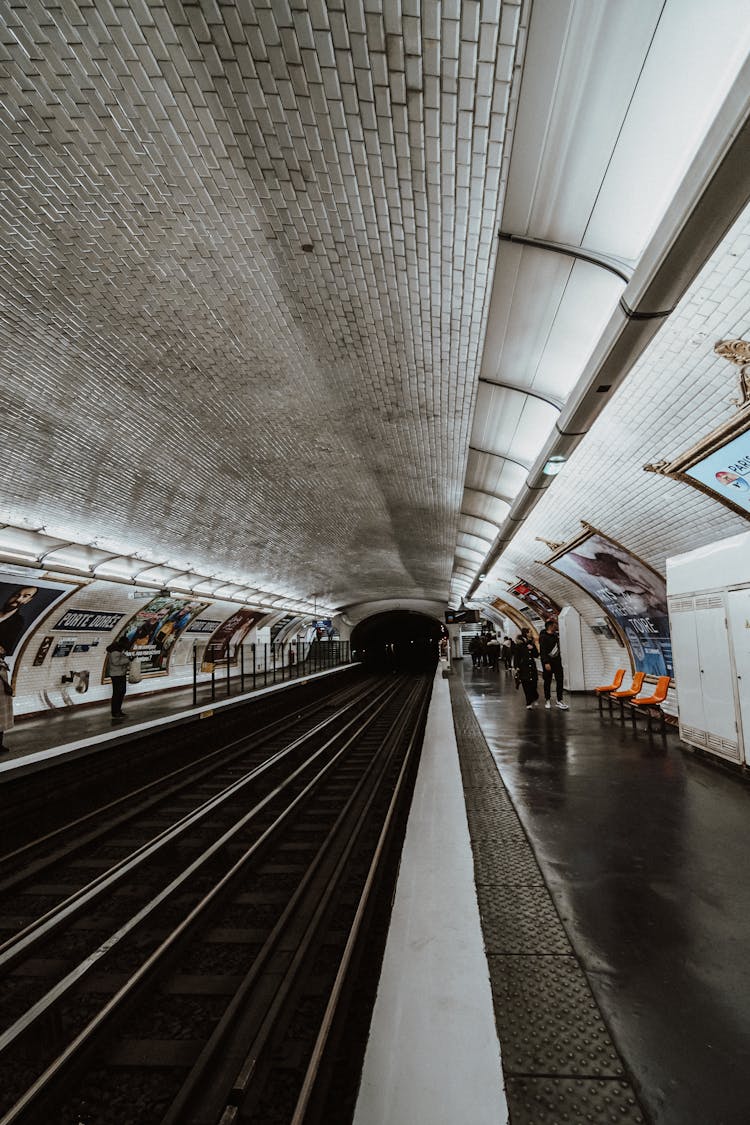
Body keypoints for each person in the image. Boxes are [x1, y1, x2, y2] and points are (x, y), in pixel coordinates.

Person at [539, 617, 569, 710]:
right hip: (548, 662)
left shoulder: (555, 635)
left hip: (557, 661)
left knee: (560, 680)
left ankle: (559, 699)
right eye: (554, 625)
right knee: (547, 681)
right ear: (550, 626)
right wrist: (546, 662)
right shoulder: (543, 637)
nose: (556, 626)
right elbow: (543, 651)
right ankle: (547, 699)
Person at [0, 585, 39, 655]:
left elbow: (5, 650)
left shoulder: (17, 622)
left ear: (28, 600)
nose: (18, 599)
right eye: (17, 595)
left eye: (25, 596)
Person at [106, 638, 132, 721]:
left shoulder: (118, 649)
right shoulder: (115, 650)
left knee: (121, 692)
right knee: (117, 693)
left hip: (120, 674)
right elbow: (116, 662)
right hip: (116, 675)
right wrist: (128, 659)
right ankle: (115, 712)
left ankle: (118, 710)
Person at [514, 630, 539, 708]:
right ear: (526, 634)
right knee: (526, 684)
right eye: (530, 632)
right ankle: (528, 702)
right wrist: (516, 667)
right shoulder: (519, 645)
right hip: (523, 667)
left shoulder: (531, 643)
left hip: (532, 666)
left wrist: (532, 648)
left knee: (534, 684)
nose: (531, 633)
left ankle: (535, 696)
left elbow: (536, 655)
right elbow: (516, 657)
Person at [0, 644, 13, 753]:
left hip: (3, 697)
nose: (2, 650)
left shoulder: (2, 663)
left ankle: (0, 745)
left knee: (1, 724)